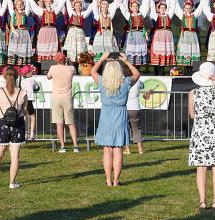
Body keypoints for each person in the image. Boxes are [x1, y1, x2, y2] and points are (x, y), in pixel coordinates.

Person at [187, 62, 215, 209]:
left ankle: (202, 201)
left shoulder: (193, 93)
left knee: (201, 168)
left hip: (200, 132)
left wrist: (203, 119)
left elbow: (192, 115)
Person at [91, 52, 140, 186]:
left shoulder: (102, 82)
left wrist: (102, 59)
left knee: (107, 149)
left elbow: (93, 71)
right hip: (120, 116)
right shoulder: (126, 82)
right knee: (118, 149)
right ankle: (116, 180)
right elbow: (137, 74)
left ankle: (108, 180)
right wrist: (126, 61)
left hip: (106, 116)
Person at [0, 66, 28, 189]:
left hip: (3, 124)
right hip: (18, 125)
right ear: (17, 77)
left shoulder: (0, 91)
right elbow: (24, 111)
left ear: (4, 77)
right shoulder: (23, 92)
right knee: (15, 156)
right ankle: (12, 183)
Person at [47, 52, 80, 153]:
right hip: (67, 98)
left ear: (56, 60)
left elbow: (48, 77)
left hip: (57, 98)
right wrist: (69, 61)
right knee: (71, 123)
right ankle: (76, 146)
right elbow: (75, 71)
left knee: (59, 124)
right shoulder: (71, 68)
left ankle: (62, 146)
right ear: (65, 59)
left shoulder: (53, 68)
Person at [125, 77, 145, 154]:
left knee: (125, 129)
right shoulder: (138, 81)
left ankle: (127, 149)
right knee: (137, 129)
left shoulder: (123, 81)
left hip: (125, 107)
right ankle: (140, 148)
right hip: (135, 107)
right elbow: (143, 86)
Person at [20, 64, 39, 140]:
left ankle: (24, 133)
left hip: (23, 99)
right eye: (30, 71)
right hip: (29, 99)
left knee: (24, 116)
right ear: (28, 73)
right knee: (32, 116)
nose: (32, 72)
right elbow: (37, 87)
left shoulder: (22, 81)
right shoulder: (32, 80)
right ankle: (32, 133)